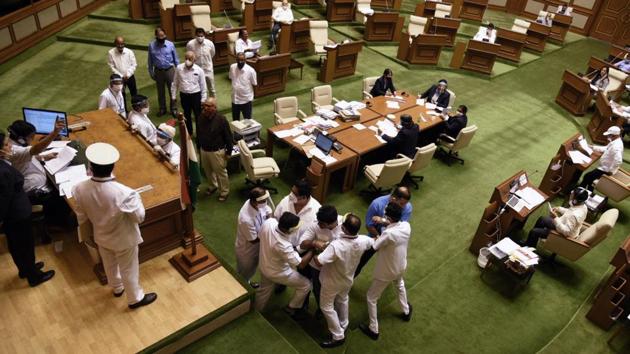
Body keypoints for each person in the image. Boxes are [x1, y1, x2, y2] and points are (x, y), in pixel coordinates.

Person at [72, 142, 157, 309]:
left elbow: (81, 216)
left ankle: (117, 288)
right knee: (129, 269)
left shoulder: (79, 188)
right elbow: (139, 218)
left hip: (101, 236)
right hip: (124, 239)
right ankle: (135, 299)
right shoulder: (125, 193)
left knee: (109, 264)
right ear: (112, 166)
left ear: (91, 166)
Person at [0, 131, 55, 287]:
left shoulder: (4, 163)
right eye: (5, 144)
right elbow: (4, 198)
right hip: (16, 215)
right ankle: (34, 277)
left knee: (17, 244)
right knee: (24, 245)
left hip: (14, 214)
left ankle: (25, 269)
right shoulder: (2, 171)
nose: (9, 146)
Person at [314, 213, 374, 348]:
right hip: (348, 279)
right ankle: (344, 324)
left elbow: (319, 262)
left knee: (326, 307)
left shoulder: (336, 246)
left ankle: (338, 335)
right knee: (343, 299)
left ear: (345, 229)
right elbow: (374, 242)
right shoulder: (364, 240)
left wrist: (317, 249)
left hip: (331, 281)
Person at [8, 119, 69, 239]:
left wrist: (42, 157)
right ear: (20, 138)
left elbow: (28, 156)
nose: (33, 139)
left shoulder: (12, 144)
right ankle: (54, 224)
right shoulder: (14, 150)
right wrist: (54, 133)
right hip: (32, 190)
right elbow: (32, 150)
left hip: (30, 180)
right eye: (31, 137)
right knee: (62, 195)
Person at [360, 202, 412, 340]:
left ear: (388, 216)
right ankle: (406, 310)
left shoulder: (388, 234)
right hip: (401, 266)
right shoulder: (406, 226)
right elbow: (393, 223)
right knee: (399, 285)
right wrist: (383, 221)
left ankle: (373, 329)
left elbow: (376, 245)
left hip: (386, 271)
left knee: (371, 298)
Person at [255, 212, 314, 317]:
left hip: (264, 265)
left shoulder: (269, 222)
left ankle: (255, 312)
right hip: (278, 273)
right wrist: (313, 249)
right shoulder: (283, 246)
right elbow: (300, 264)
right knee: (306, 285)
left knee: (264, 290)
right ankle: (291, 307)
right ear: (289, 230)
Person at [355, 187, 412, 277]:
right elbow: (369, 225)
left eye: (405, 204)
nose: (403, 207)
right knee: (361, 261)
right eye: (401, 204)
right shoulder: (377, 204)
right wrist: (379, 238)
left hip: (393, 238)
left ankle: (395, 277)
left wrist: (383, 221)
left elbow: (399, 226)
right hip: (375, 235)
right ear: (393, 199)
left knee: (394, 262)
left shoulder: (407, 207)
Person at [297, 205, 343, 312]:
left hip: (332, 268)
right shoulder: (316, 225)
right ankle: (311, 307)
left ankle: (326, 310)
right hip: (314, 265)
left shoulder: (344, 228)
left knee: (327, 292)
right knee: (311, 287)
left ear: (330, 223)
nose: (318, 224)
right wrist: (314, 242)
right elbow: (302, 244)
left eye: (321, 223)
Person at [524, 187, 589, 247]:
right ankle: (531, 244)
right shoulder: (583, 206)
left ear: (575, 200)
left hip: (565, 235)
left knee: (534, 232)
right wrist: (559, 209)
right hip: (564, 224)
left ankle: (529, 247)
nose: (570, 196)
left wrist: (555, 218)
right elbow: (570, 212)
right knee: (542, 219)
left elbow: (566, 232)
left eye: (572, 195)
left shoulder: (575, 215)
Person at [235, 187, 273, 288]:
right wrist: (268, 232)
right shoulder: (246, 219)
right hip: (248, 251)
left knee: (251, 271)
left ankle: (247, 283)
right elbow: (253, 240)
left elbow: (268, 210)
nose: (265, 203)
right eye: (263, 201)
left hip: (258, 247)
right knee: (244, 272)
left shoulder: (257, 203)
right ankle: (242, 291)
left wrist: (269, 218)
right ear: (254, 202)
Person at [197, 98, 233, 201]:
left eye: (208, 106)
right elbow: (199, 133)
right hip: (204, 150)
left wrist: (229, 152)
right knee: (208, 171)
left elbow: (228, 137)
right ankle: (213, 186)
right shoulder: (201, 117)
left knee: (221, 173)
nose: (205, 108)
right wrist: (198, 147)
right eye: (205, 105)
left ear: (214, 107)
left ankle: (224, 191)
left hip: (216, 151)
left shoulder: (221, 119)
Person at [274, 179, 321, 247]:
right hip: (280, 242)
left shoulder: (317, 211)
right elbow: (275, 218)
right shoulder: (286, 201)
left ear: (304, 197)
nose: (291, 195)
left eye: (295, 194)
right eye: (292, 191)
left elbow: (315, 235)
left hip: (299, 248)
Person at [171, 51, 207, 136]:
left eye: (190, 59)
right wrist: (173, 96)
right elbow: (175, 83)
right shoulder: (179, 68)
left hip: (196, 95)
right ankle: (189, 133)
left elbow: (203, 86)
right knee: (187, 115)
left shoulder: (199, 70)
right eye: (186, 58)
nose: (188, 60)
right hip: (184, 96)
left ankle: (200, 133)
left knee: (198, 116)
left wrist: (203, 99)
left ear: (194, 59)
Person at [578, 126, 623, 191]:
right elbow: (606, 148)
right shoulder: (615, 141)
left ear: (614, 135)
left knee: (587, 176)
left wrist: (610, 171)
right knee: (590, 179)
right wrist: (592, 147)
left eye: (609, 135)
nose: (608, 137)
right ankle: (587, 192)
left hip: (605, 170)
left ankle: (579, 192)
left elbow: (618, 161)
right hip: (604, 167)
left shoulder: (616, 147)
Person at [148, 27, 179, 116]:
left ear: (165, 35)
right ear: (156, 36)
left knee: (172, 90)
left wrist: (178, 71)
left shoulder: (170, 45)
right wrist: (151, 72)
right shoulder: (151, 46)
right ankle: (162, 108)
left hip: (169, 70)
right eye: (159, 36)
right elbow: (150, 61)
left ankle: (174, 108)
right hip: (158, 71)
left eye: (163, 36)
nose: (161, 38)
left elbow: (176, 59)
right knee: (160, 91)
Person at [108, 36, 138, 111]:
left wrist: (128, 74)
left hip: (130, 76)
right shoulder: (111, 53)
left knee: (134, 94)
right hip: (119, 79)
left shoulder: (129, 52)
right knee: (121, 95)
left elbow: (134, 64)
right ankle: (124, 112)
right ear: (115, 44)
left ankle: (136, 109)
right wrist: (121, 76)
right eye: (119, 44)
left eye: (122, 44)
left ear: (124, 43)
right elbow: (111, 66)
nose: (121, 46)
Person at [186, 28, 217, 97]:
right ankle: (200, 105)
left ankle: (212, 105)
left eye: (202, 36)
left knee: (211, 89)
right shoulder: (190, 44)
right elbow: (189, 55)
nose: (200, 37)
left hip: (208, 69)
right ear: (195, 35)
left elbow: (212, 54)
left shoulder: (210, 43)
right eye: (198, 36)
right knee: (198, 89)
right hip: (196, 70)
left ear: (204, 35)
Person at [229, 52, 257, 121]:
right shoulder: (232, 67)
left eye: (242, 60)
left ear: (245, 60)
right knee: (235, 121)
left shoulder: (251, 70)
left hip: (246, 100)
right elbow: (231, 78)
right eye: (238, 60)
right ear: (236, 60)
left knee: (247, 121)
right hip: (235, 99)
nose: (240, 62)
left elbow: (254, 84)